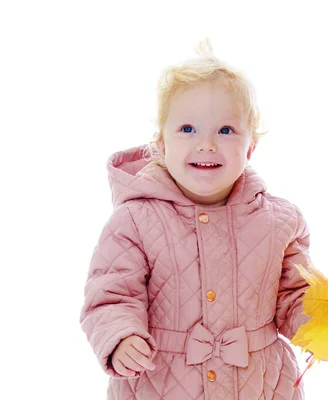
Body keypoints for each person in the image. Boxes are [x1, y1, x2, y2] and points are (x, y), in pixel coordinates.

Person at [79, 38, 313, 399]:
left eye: (225, 130)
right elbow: (111, 293)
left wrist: (319, 322)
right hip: (159, 384)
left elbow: (295, 294)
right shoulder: (135, 220)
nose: (206, 143)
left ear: (250, 146)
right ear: (161, 143)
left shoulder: (279, 222)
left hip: (261, 385)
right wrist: (121, 336)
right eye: (188, 129)